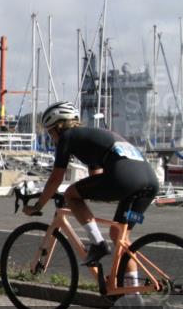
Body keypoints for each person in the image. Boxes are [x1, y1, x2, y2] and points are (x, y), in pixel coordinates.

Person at [24, 101, 160, 267]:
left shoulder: (68, 136)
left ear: (58, 127)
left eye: (50, 132)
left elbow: (56, 178)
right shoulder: (91, 138)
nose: (51, 138)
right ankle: (131, 283)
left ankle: (98, 243)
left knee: (70, 194)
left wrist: (38, 206)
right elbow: (95, 179)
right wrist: (81, 200)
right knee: (119, 236)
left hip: (125, 180)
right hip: (149, 184)